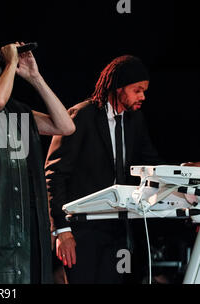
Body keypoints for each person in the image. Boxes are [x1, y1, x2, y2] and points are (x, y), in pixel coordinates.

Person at [0, 35, 75, 283]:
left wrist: (34, 78)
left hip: (27, 222)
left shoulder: (17, 109)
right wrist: (10, 65)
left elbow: (65, 125)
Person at [45, 55, 164, 283]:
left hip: (120, 231)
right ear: (118, 87)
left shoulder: (135, 120)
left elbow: (152, 165)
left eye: (144, 90)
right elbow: (54, 174)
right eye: (137, 89)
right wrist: (61, 230)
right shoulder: (81, 115)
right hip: (82, 231)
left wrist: (182, 173)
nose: (143, 96)